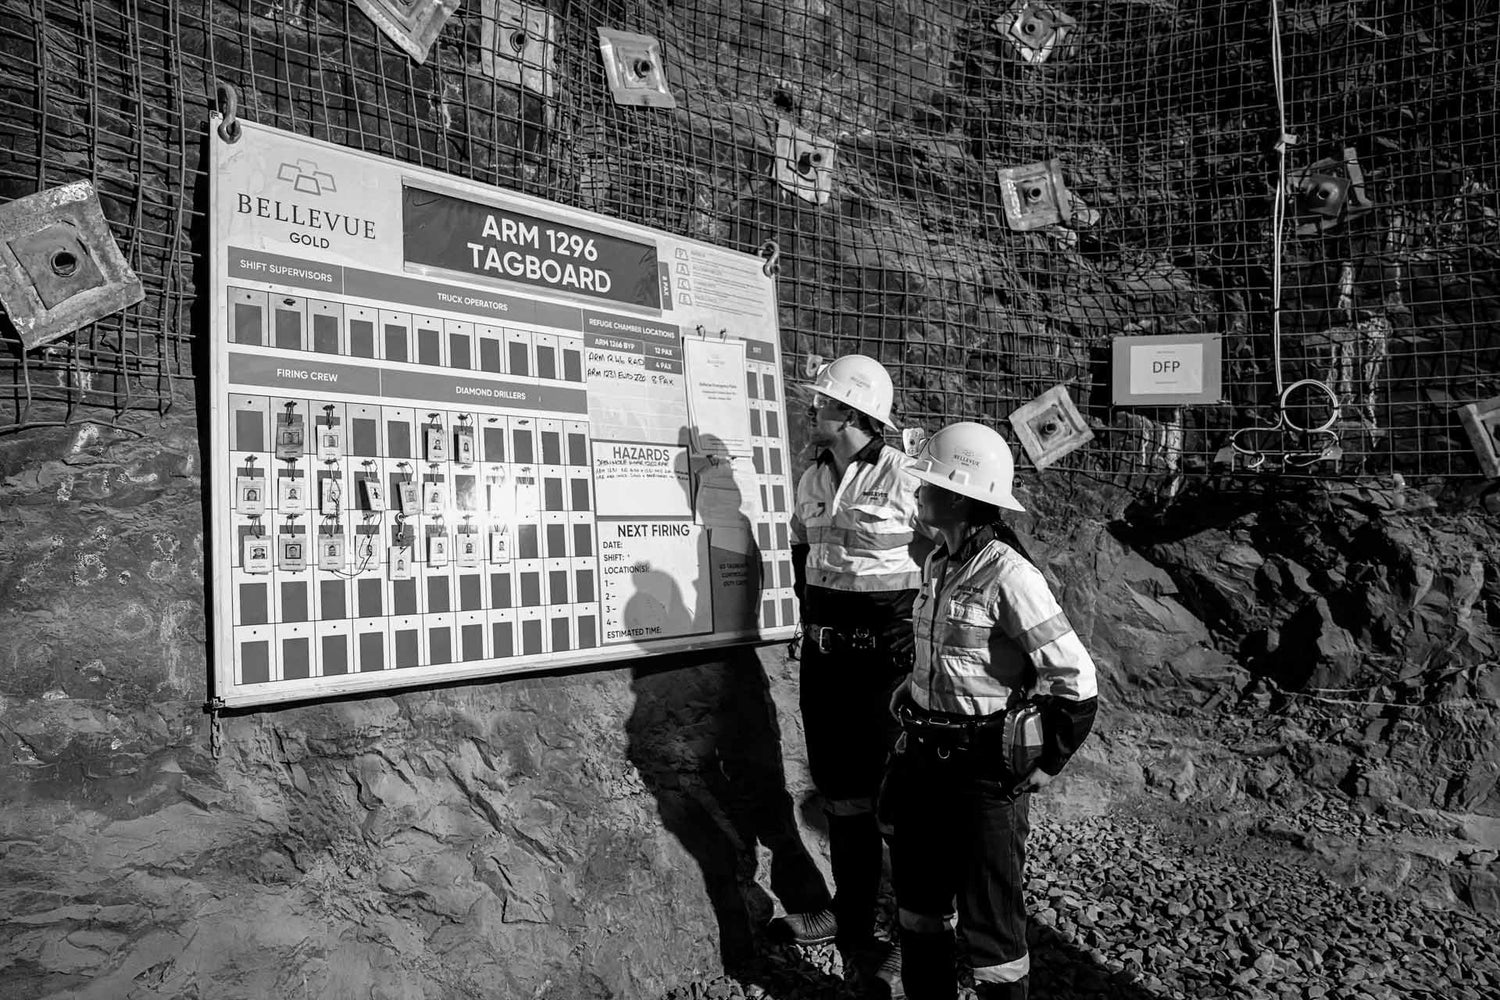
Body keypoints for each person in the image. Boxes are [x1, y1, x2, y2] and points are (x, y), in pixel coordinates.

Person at [884, 421, 1098, 1000]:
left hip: (982, 777)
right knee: (919, 909)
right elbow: (962, 659)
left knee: (992, 931)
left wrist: (1045, 762)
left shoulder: (1010, 574)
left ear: (958, 496)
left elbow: (1075, 680)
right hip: (925, 764)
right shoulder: (940, 564)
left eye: (928, 482)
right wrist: (917, 686)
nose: (918, 490)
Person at [776, 354, 928, 990]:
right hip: (828, 661)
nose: (814, 409)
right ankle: (853, 915)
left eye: (823, 402)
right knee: (843, 795)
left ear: (851, 413)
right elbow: (803, 555)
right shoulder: (812, 478)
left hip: (888, 666)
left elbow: (961, 555)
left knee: (906, 806)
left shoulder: (907, 478)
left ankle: (914, 939)